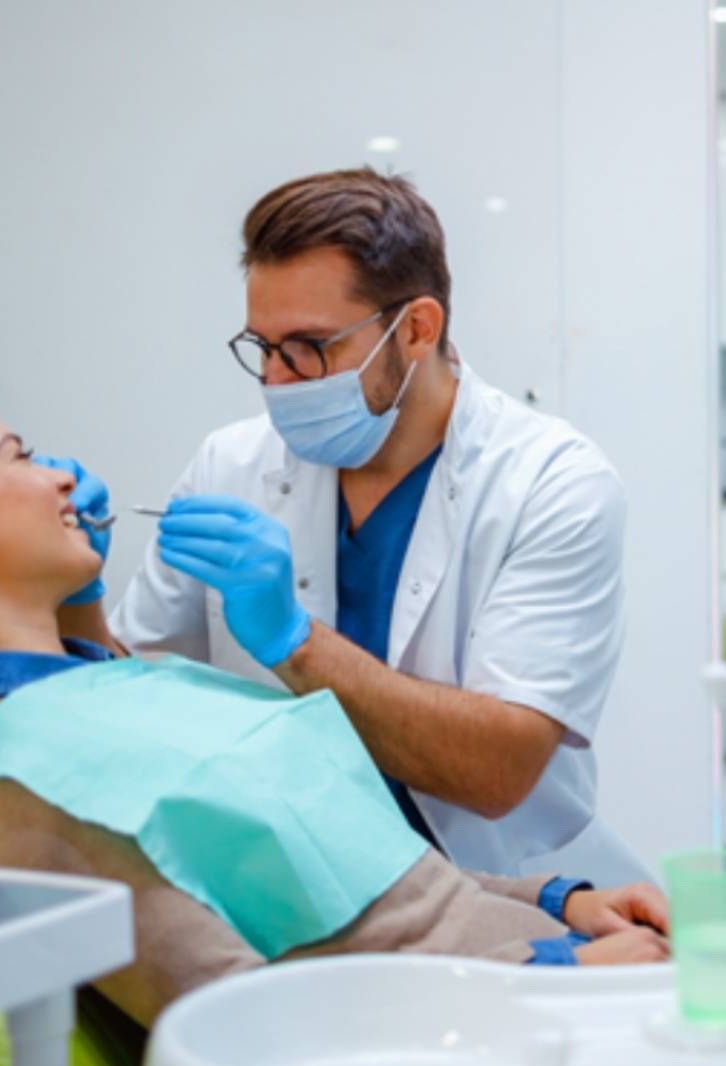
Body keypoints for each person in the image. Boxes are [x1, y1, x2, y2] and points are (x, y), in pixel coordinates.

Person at [0, 359, 669, 1027]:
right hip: (506, 1020)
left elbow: (359, 880)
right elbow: (247, 1027)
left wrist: (560, 900)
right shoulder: (29, 775)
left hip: (542, 954)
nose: (58, 478)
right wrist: (549, 981)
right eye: (20, 455)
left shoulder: (112, 687)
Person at [56, 169, 645, 885]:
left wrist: (294, 643)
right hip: (300, 893)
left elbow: (499, 771)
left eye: (309, 347)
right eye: (263, 348)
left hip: (510, 891)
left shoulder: (553, 483)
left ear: (417, 329)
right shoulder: (230, 465)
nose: (277, 381)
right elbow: (133, 703)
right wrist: (74, 594)